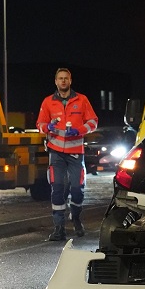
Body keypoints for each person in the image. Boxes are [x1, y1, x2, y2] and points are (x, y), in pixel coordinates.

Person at [36, 68, 99, 241]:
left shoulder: (82, 100)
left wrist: (79, 130)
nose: (63, 81)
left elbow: (93, 121)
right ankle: (59, 228)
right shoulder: (48, 102)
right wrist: (47, 127)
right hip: (56, 152)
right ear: (55, 81)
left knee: (77, 188)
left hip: (75, 153)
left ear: (70, 81)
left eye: (66, 79)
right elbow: (40, 124)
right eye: (60, 79)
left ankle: (76, 217)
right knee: (57, 188)